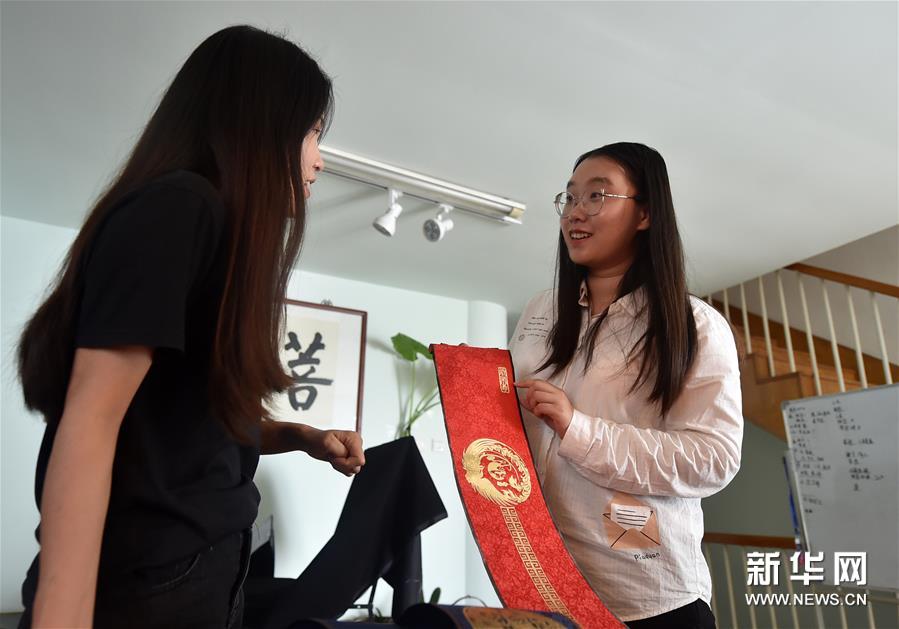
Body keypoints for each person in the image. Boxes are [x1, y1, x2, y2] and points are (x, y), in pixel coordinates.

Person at [16, 25, 365, 629]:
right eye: (312, 132)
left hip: (201, 579)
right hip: (152, 587)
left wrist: (300, 436)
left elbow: (178, 426)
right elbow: (91, 421)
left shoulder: (208, 230)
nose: (320, 158)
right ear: (259, 125)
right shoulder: (180, 207)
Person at [511, 142, 742, 628]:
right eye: (570, 197)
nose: (575, 212)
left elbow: (714, 459)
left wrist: (578, 429)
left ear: (645, 214)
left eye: (597, 196)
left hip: (645, 595)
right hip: (538, 583)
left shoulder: (695, 326)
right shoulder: (540, 310)